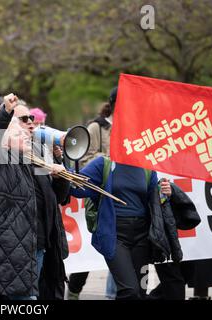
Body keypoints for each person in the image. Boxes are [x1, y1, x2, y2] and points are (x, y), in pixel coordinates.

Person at [0, 93, 69, 300]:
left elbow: (55, 198)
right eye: (19, 134)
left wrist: (61, 175)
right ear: (5, 142)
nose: (28, 134)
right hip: (9, 247)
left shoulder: (31, 161)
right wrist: (5, 112)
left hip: (35, 243)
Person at [70, 155, 173, 300]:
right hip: (115, 236)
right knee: (130, 290)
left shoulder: (147, 167)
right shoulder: (104, 164)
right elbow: (76, 190)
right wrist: (61, 166)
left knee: (141, 294)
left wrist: (164, 193)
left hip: (142, 238)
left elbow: (154, 201)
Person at [68, 87, 118, 300]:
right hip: (99, 195)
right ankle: (73, 291)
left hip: (122, 196)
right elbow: (85, 159)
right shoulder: (97, 127)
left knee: (118, 251)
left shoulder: (133, 126)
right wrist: (110, 159)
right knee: (89, 253)